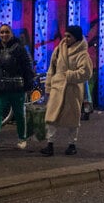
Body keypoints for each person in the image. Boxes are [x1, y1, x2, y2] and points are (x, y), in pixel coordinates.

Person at [0, 24, 34, 151]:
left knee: (20, 114)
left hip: (16, 88)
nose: (4, 35)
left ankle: (22, 138)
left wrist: (28, 84)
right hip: (0, 88)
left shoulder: (19, 49)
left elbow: (27, 67)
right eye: (2, 32)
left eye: (7, 32)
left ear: (12, 33)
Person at [40, 25, 93, 156]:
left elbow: (86, 72)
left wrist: (69, 75)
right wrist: (48, 86)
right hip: (57, 89)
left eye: (69, 36)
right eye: (65, 35)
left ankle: (71, 144)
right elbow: (51, 69)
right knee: (51, 118)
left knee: (72, 120)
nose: (66, 38)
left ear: (76, 38)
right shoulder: (59, 50)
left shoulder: (83, 54)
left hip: (72, 90)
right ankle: (50, 143)